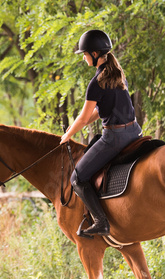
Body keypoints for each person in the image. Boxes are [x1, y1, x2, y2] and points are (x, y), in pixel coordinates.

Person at [60, 29, 143, 237]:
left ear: (95, 54)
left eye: (85, 54)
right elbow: (103, 110)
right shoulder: (117, 74)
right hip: (134, 132)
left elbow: (83, 118)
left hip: (114, 138)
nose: (84, 58)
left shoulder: (96, 83)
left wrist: (67, 135)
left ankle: (101, 221)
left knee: (77, 178)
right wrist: (79, 125)